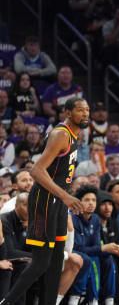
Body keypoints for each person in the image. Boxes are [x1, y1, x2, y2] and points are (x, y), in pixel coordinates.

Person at [0, 97, 87, 305]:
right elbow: (37, 171)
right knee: (41, 262)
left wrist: (66, 195)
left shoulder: (75, 134)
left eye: (87, 110)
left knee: (57, 261)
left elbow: (60, 173)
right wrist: (65, 195)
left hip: (57, 201)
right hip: (44, 201)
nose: (85, 114)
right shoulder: (60, 134)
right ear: (67, 113)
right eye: (80, 110)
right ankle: (7, 302)